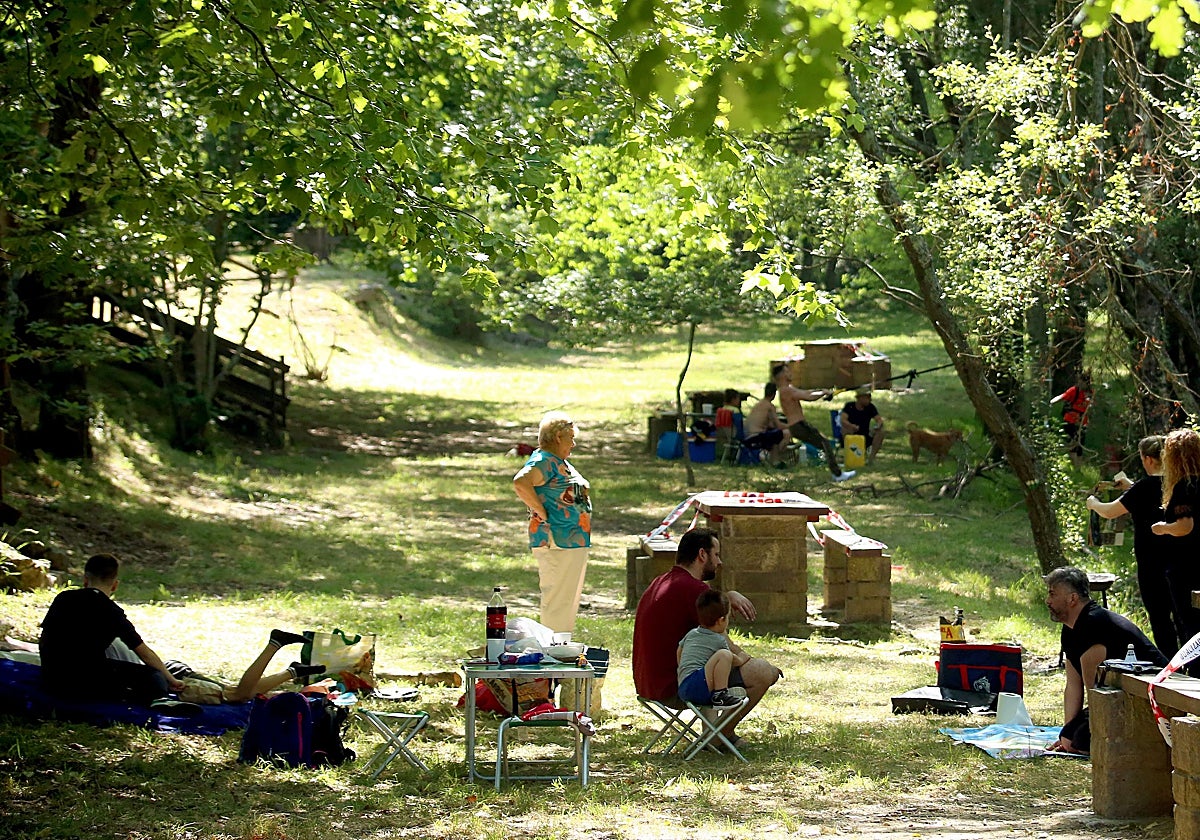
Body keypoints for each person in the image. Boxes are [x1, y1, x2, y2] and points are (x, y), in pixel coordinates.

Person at [632, 528, 781, 747]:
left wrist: (727, 597)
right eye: (716, 555)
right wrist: (752, 662)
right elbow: (725, 645)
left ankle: (716, 733)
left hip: (649, 684)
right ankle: (717, 737)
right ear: (702, 555)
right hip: (675, 688)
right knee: (762, 673)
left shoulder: (662, 582)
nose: (719, 562)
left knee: (715, 663)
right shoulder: (693, 589)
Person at [1044, 566, 1166, 754]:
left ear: (1072, 599)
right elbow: (1073, 684)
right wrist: (1066, 732)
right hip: (1116, 694)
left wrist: (1078, 736)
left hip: (1151, 693)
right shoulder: (1069, 629)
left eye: (1053, 594)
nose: (1048, 600)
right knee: (1069, 738)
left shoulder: (1094, 623)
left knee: (1077, 741)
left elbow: (1094, 693)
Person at [1086, 436, 1177, 656]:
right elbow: (1152, 493)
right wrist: (1131, 487)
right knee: (1183, 617)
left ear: (1148, 459)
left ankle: (1170, 664)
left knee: (1160, 618)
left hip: (1151, 563)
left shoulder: (1143, 488)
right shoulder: (1178, 484)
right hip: (1179, 562)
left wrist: (1093, 503)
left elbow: (1110, 511)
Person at [512, 410, 591, 633]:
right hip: (557, 540)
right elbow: (521, 482)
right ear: (558, 437)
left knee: (566, 601)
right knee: (558, 601)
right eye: (571, 438)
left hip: (571, 540)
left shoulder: (557, 461)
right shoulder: (544, 460)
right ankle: (553, 648)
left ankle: (560, 644)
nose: (573, 444)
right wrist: (541, 512)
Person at [1152, 428, 1200, 648]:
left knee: (1189, 625)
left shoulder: (1185, 487)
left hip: (1186, 567)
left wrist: (1163, 528)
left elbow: (1184, 526)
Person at [772, 364, 855, 482]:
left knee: (824, 443)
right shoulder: (786, 390)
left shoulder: (786, 389)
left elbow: (806, 392)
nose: (790, 373)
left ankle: (837, 472)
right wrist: (823, 393)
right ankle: (838, 474)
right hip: (798, 426)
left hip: (798, 426)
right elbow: (808, 397)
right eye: (787, 372)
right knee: (825, 443)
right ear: (781, 376)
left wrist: (822, 391)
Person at [676, 590, 747, 707]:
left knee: (716, 660)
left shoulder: (692, 633)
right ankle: (720, 694)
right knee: (724, 654)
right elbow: (733, 660)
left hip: (683, 686)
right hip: (696, 686)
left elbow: (679, 650)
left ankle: (717, 693)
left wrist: (682, 669)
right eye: (727, 618)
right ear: (721, 620)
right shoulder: (718, 640)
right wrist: (743, 658)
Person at [1050, 371, 1093, 463]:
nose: (1081, 384)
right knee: (1073, 441)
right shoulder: (1074, 391)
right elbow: (1062, 397)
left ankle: (1077, 465)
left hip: (1083, 423)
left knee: (1080, 445)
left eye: (1084, 382)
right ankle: (1070, 462)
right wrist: (1052, 402)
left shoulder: (1091, 393)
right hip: (1070, 421)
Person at [743, 382, 791, 464]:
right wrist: (791, 426)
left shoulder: (758, 404)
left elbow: (769, 425)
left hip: (747, 436)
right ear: (774, 394)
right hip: (756, 437)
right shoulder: (770, 406)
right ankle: (776, 458)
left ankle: (772, 458)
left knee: (774, 435)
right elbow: (778, 425)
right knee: (787, 433)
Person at [840, 386, 886, 464]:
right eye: (867, 397)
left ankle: (871, 459)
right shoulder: (849, 406)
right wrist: (851, 426)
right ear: (860, 398)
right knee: (845, 429)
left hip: (865, 434)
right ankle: (852, 456)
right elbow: (843, 420)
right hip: (851, 434)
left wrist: (877, 426)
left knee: (880, 432)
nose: (870, 399)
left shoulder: (870, 407)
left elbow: (879, 420)